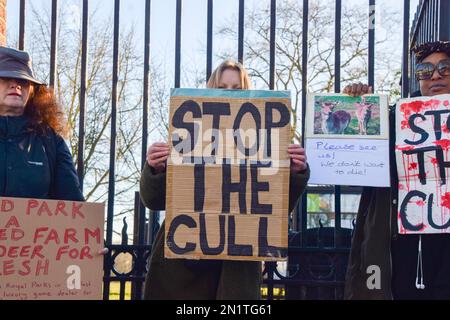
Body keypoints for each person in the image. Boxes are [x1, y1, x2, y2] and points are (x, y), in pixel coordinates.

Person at [140, 59, 310, 300]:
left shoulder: (267, 141)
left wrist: (294, 173)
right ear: (211, 91)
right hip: (184, 271)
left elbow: (276, 208)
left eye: (237, 89)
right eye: (222, 87)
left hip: (236, 272)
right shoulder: (187, 136)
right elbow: (152, 200)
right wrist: (154, 168)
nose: (230, 94)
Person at [344, 40, 450, 299]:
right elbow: (351, 153)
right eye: (425, 70)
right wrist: (358, 103)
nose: (435, 75)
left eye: (445, 67)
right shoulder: (393, 120)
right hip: (402, 246)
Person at [0, 46, 83, 201]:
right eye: (5, 77)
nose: (15, 85)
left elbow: (73, 204)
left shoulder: (50, 141)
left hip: (34, 226)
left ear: (32, 90)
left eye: (23, 81)